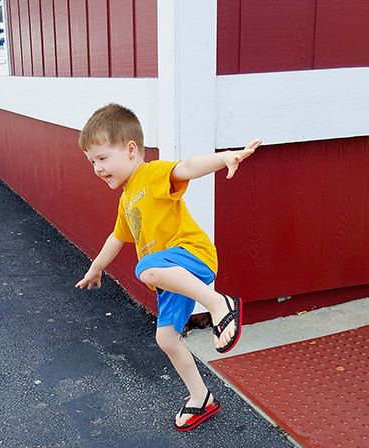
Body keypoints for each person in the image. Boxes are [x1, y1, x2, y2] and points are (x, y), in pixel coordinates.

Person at [75, 103, 260, 431]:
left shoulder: (151, 174)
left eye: (102, 158)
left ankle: (220, 303)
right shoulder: (126, 200)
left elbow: (186, 167)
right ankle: (201, 397)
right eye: (92, 162)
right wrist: (96, 268)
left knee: (144, 268)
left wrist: (224, 158)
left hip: (192, 255)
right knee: (167, 340)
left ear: (131, 150)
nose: (97, 168)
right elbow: (116, 238)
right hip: (170, 278)